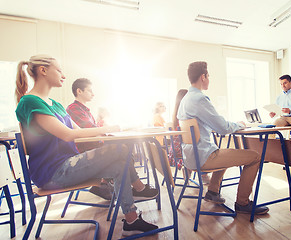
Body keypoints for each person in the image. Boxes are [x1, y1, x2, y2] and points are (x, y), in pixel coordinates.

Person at [15, 55, 158, 235]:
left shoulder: (56, 104)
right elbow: (68, 135)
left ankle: (131, 220)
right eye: (59, 70)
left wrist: (109, 131)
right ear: (43, 70)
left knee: (120, 166)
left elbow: (79, 132)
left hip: (68, 165)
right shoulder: (30, 102)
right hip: (51, 172)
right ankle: (138, 188)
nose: (64, 75)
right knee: (122, 149)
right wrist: (113, 127)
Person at [177, 61, 269, 214]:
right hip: (203, 157)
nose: (209, 79)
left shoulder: (185, 100)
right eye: (208, 76)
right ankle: (243, 203)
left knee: (225, 151)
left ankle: (213, 192)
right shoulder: (200, 99)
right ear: (203, 77)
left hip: (190, 157)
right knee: (255, 157)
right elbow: (223, 128)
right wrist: (239, 124)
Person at [66, 78, 159, 200]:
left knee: (124, 153)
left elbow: (95, 130)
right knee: (123, 152)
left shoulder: (84, 110)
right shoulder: (73, 109)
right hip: (86, 154)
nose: (93, 94)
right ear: (79, 91)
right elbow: (91, 130)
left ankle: (125, 188)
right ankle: (137, 188)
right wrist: (108, 130)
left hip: (94, 148)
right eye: (90, 91)